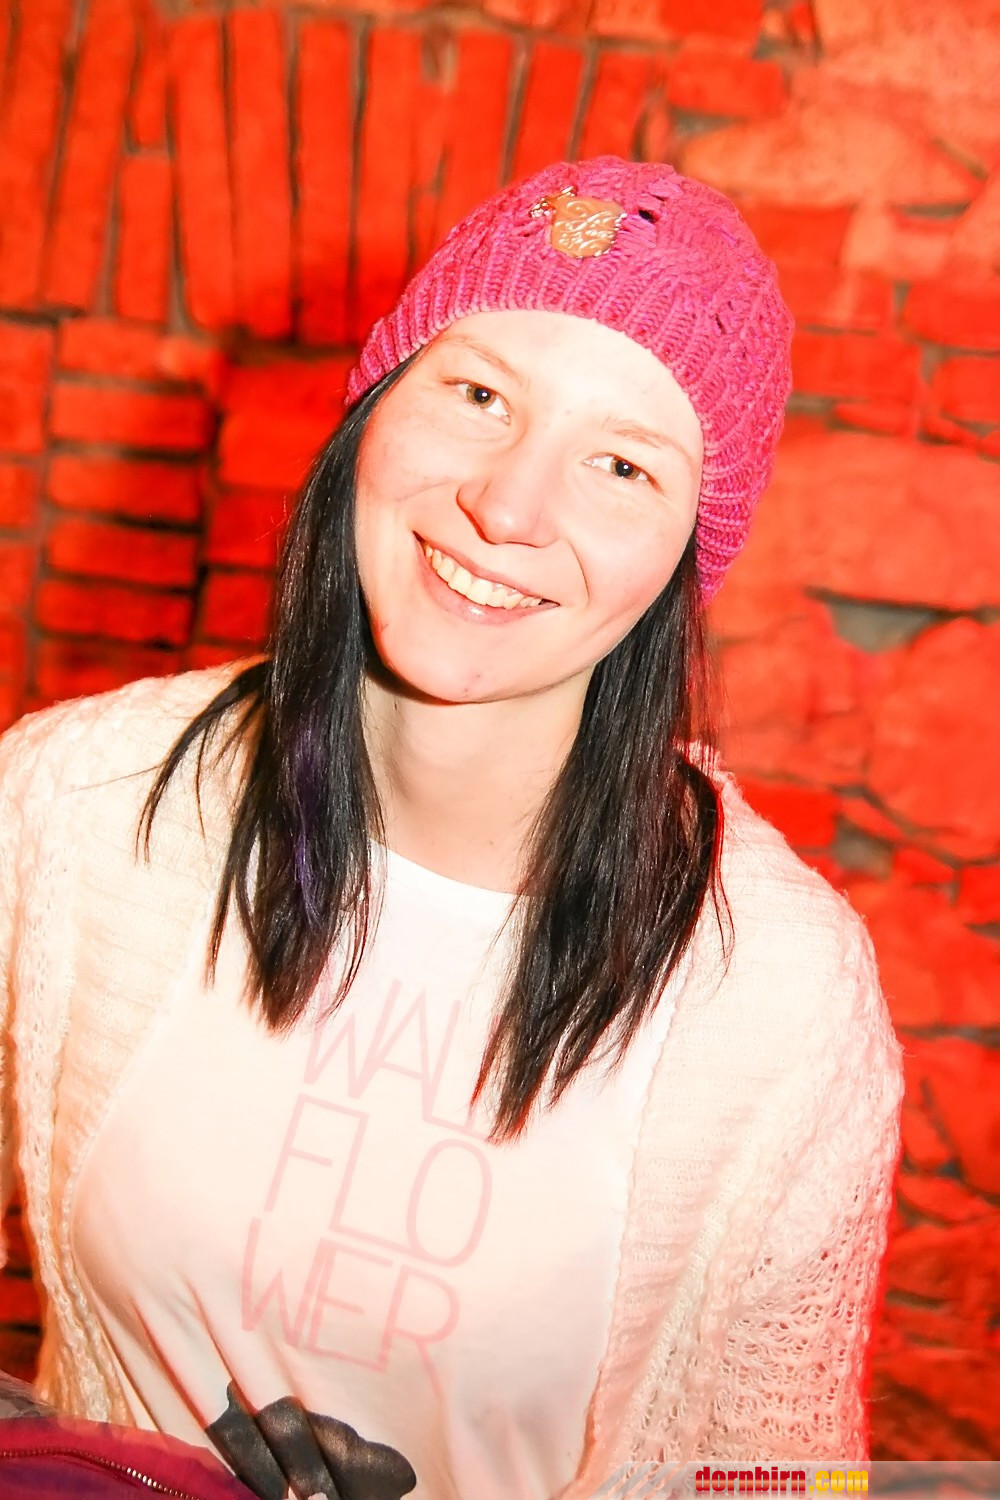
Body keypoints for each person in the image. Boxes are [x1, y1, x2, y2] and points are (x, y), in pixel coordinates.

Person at [0, 157, 903, 1500]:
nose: (509, 508)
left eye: (621, 465)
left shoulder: (779, 999)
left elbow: (790, 1479)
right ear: (376, 406)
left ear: (685, 553)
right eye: (480, 396)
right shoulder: (75, 803)